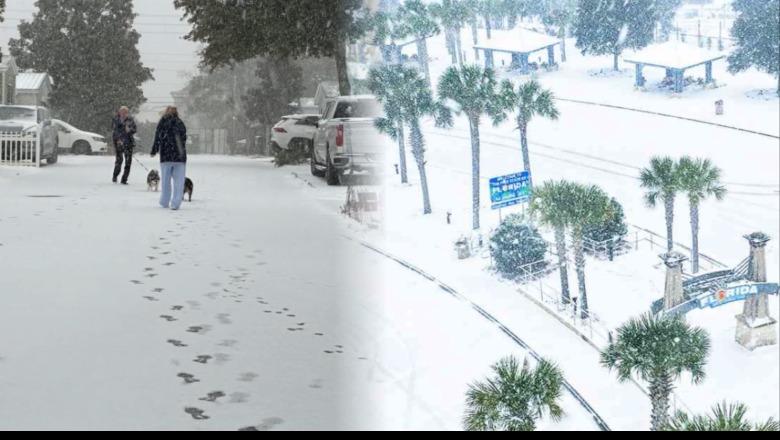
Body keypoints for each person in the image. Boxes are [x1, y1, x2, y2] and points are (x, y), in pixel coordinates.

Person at [151, 106, 188, 210]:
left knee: (165, 181)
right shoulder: (180, 123)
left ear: (166, 112)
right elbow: (184, 137)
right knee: (179, 182)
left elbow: (157, 137)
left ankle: (164, 201)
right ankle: (176, 203)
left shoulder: (162, 123)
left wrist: (154, 149)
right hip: (180, 157)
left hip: (166, 155)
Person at [112, 106, 137, 184]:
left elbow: (135, 129)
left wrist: (129, 130)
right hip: (118, 142)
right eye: (122, 112)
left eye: (125, 112)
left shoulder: (130, 120)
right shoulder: (116, 120)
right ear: (119, 112)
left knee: (128, 162)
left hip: (128, 143)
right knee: (119, 161)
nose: (124, 114)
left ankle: (124, 179)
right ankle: (115, 176)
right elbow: (114, 131)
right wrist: (118, 139)